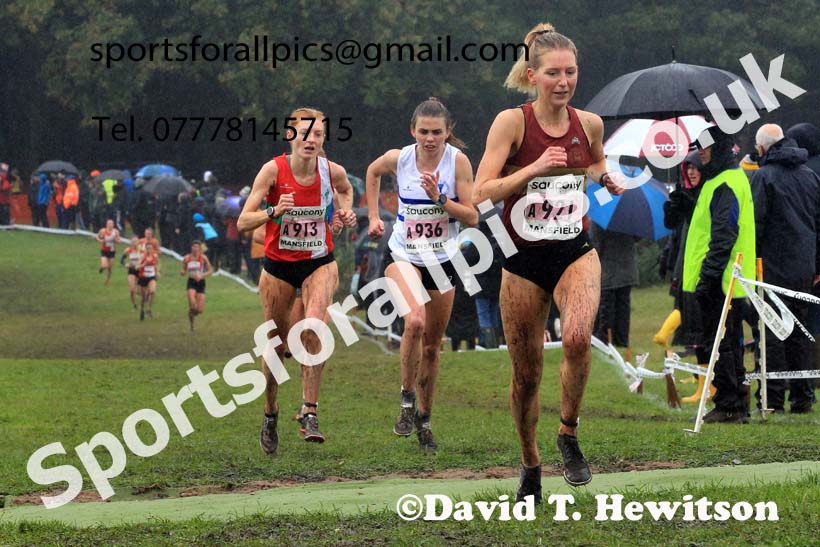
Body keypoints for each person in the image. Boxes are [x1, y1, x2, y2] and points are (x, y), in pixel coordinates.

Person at [472, 23, 624, 499]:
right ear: (533, 76)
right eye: (554, 73)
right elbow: (480, 192)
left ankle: (569, 433)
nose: (564, 81)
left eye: (571, 72)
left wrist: (607, 176)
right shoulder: (512, 123)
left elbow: (594, 160)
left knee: (578, 338)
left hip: (573, 250)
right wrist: (535, 169)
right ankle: (530, 463)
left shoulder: (590, 123)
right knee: (527, 375)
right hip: (521, 261)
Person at [238, 107, 356, 452]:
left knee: (315, 329)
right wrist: (274, 211)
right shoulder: (273, 171)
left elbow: (346, 190)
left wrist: (343, 212)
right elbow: (244, 221)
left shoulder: (332, 171)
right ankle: (271, 411)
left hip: (319, 261)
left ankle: (309, 410)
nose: (311, 140)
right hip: (278, 266)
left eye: (317, 135)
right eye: (305, 134)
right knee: (275, 345)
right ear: (291, 136)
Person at [366, 97, 478, 450]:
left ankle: (425, 420)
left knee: (431, 347)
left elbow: (473, 216)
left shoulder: (457, 162)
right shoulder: (399, 158)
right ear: (413, 130)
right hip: (403, 254)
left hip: (442, 260)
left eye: (437, 133)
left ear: (448, 133)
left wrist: (439, 199)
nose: (430, 139)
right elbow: (372, 172)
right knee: (413, 322)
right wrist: (373, 217)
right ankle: (405, 399)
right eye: (424, 132)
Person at [682, 126, 756, 424]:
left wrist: (709, 277)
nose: (700, 152)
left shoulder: (724, 183)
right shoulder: (727, 179)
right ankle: (736, 401)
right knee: (731, 343)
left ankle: (729, 405)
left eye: (705, 147)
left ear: (721, 147)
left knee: (720, 343)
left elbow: (724, 234)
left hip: (720, 280)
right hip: (730, 279)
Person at [750, 123, 820, 413]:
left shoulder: (764, 177)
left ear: (763, 148)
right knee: (800, 331)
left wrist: (754, 262)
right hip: (805, 266)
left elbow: (756, 225)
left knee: (772, 332)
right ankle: (803, 396)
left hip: (772, 267)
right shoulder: (810, 176)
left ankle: (773, 398)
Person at [590, 223, 638, 351]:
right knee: (623, 309)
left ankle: (604, 343)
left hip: (607, 271)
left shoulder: (599, 219)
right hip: (627, 268)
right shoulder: (630, 215)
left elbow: (595, 246)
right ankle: (622, 342)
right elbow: (638, 237)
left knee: (606, 310)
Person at [180, 240, 214, 332]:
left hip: (201, 283)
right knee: (192, 304)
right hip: (191, 282)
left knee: (200, 310)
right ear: (191, 248)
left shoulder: (203, 258)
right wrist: (182, 272)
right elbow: (183, 269)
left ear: (199, 248)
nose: (195, 248)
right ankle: (192, 326)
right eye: (193, 247)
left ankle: (191, 315)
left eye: (197, 247)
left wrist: (202, 275)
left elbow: (211, 270)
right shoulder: (187, 258)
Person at [135, 241, 160, 320]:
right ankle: (142, 310)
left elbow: (157, 264)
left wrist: (157, 271)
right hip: (143, 278)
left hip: (151, 277)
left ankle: (149, 309)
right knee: (143, 297)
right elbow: (136, 267)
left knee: (152, 291)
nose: (149, 250)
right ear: (145, 249)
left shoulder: (155, 256)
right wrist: (143, 264)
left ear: (152, 249)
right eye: (147, 248)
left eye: (150, 248)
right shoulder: (142, 256)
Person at [120, 236, 143, 310]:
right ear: (131, 243)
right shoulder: (128, 250)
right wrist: (125, 264)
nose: (134, 243)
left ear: (139, 242)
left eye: (136, 242)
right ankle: (134, 305)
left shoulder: (142, 250)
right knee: (132, 290)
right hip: (132, 270)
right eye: (133, 242)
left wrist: (141, 265)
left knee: (139, 292)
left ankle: (146, 295)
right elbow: (121, 260)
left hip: (140, 270)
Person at [96, 219, 120, 285]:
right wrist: (100, 241)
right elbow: (97, 237)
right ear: (106, 224)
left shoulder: (116, 231)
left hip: (112, 251)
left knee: (110, 268)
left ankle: (108, 280)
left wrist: (116, 240)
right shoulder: (103, 230)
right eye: (108, 224)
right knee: (105, 265)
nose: (110, 225)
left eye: (111, 224)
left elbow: (119, 241)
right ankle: (102, 268)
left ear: (113, 225)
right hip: (104, 251)